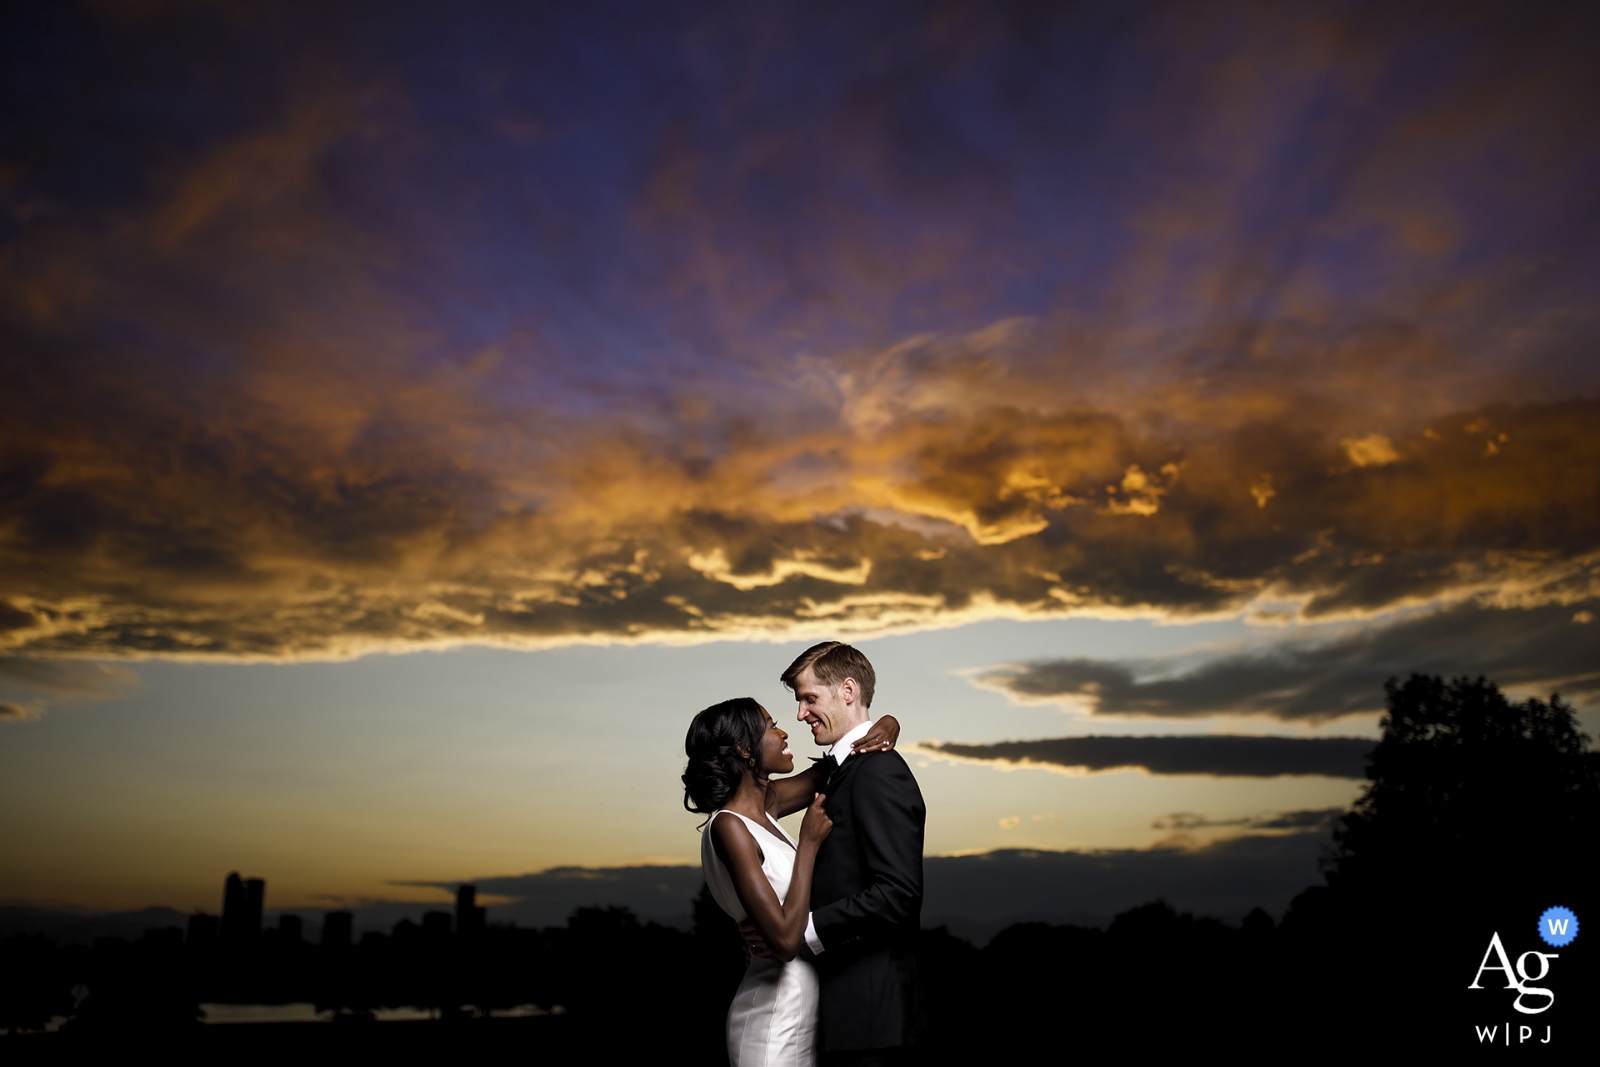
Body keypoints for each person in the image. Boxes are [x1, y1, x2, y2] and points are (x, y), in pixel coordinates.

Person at [685, 697, 902, 1066]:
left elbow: (833, 768)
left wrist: (887, 724)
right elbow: (785, 942)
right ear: (743, 748)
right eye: (771, 726)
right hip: (771, 1022)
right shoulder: (729, 826)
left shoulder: (764, 807)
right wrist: (808, 845)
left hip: (805, 1013)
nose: (784, 732)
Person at [781, 641, 925, 1065]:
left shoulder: (880, 770)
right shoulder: (840, 769)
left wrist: (799, 933)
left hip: (877, 1025)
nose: (800, 713)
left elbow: (898, 893)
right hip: (851, 1020)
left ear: (847, 691)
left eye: (810, 699)